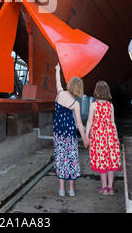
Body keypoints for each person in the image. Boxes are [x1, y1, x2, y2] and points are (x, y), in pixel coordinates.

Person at [53, 63, 89, 197]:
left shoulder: (60, 93)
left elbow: (57, 81)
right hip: (70, 135)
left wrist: (57, 69)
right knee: (71, 159)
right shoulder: (75, 104)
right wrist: (85, 139)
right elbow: (79, 124)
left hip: (58, 134)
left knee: (61, 159)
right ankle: (71, 189)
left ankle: (61, 189)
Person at [85, 80, 122, 195]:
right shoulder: (110, 106)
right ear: (107, 92)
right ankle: (111, 188)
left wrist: (86, 136)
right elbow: (113, 122)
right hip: (110, 136)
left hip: (98, 136)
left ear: (97, 91)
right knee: (111, 160)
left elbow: (90, 122)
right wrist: (116, 137)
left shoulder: (94, 105)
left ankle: (104, 187)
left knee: (102, 161)